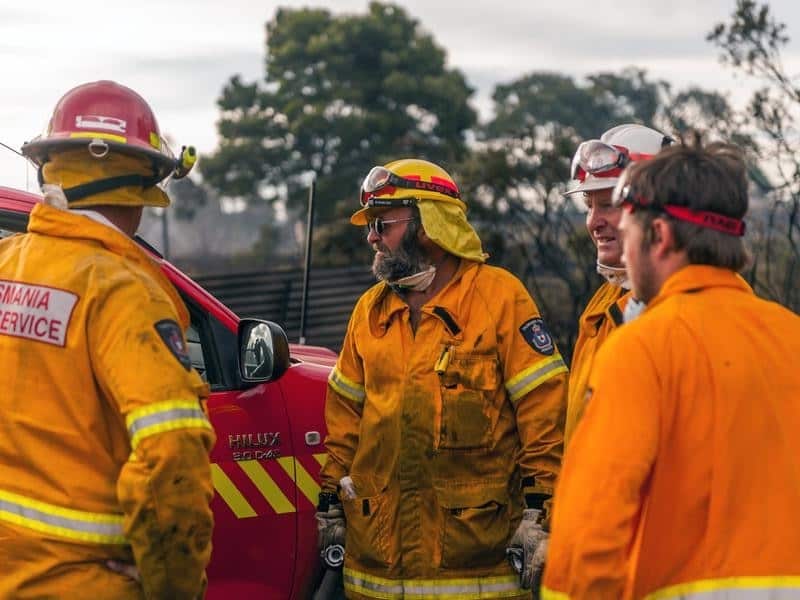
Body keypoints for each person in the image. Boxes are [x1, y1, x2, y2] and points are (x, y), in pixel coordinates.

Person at [542, 141, 800, 599]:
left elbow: (590, 535)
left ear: (658, 235)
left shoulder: (639, 349)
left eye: (630, 230)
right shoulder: (791, 336)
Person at [0, 80, 216, 599]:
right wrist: (172, 588)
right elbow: (170, 454)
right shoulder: (125, 291)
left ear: (49, 167)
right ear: (146, 182)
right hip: (83, 582)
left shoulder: (6, 265)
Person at [316, 158, 568, 599]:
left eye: (383, 224)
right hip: (377, 569)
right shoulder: (369, 311)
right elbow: (344, 421)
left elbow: (545, 416)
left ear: (429, 225)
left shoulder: (499, 298)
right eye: (370, 227)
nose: (372, 237)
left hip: (477, 563)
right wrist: (330, 501)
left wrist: (541, 515)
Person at [562, 124, 673, 447]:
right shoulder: (602, 303)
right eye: (590, 206)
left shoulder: (689, 306)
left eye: (609, 204)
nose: (594, 222)